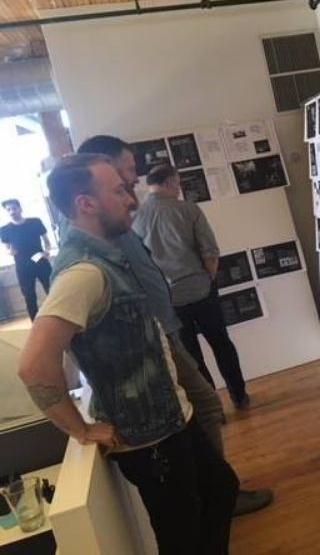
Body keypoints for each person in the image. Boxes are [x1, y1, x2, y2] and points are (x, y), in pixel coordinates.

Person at [17, 154, 239, 553]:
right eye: (118, 190)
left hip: (171, 418)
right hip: (149, 440)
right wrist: (79, 429)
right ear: (86, 204)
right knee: (181, 536)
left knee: (221, 489)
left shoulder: (105, 257)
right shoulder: (84, 272)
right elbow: (34, 364)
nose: (131, 198)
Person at [75, 135, 271, 516]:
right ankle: (218, 495)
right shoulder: (104, 237)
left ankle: (216, 491)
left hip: (166, 324)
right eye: (128, 170)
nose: (134, 179)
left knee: (202, 406)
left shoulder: (132, 218)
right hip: (162, 331)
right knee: (207, 403)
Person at [132, 165, 250, 409]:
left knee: (192, 357)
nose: (178, 188)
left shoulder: (136, 220)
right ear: (167, 183)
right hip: (200, 288)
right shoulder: (187, 209)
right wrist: (208, 278)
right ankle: (239, 396)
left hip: (168, 299)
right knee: (221, 344)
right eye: (176, 183)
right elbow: (210, 251)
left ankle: (212, 407)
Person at [0, 199, 52, 319]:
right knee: (29, 296)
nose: (12, 211)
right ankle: (35, 322)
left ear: (20, 208)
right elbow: (7, 248)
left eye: (14, 208)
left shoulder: (35, 222)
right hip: (22, 266)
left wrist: (47, 251)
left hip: (40, 261)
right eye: (8, 210)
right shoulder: (4, 230)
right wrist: (10, 252)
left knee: (52, 290)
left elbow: (47, 241)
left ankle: (58, 318)